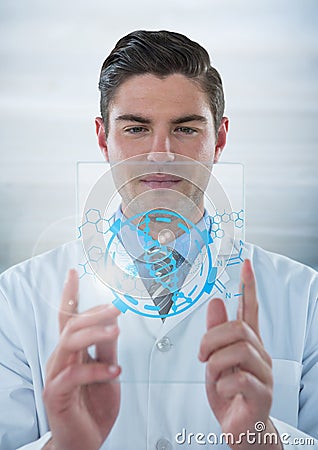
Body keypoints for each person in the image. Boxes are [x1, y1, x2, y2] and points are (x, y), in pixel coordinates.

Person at [0, 30, 317, 450]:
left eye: (185, 129)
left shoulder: (305, 296)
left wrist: (260, 439)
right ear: (102, 138)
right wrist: (65, 444)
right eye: (136, 128)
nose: (161, 152)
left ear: (219, 139)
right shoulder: (17, 298)